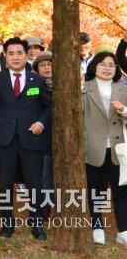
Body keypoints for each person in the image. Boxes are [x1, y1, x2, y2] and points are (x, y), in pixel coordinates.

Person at [0, 37, 51, 240]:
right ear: (5, 56)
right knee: (5, 184)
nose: (15, 57)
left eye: (19, 53)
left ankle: (36, 223)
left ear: (26, 55)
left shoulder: (36, 80)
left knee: (34, 183)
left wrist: (41, 123)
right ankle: (7, 223)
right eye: (11, 53)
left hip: (32, 139)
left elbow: (49, 106)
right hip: (5, 139)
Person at [83, 51, 127, 246]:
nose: (107, 68)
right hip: (92, 147)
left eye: (112, 65)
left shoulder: (123, 89)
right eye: (103, 64)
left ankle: (123, 230)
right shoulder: (85, 87)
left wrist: (123, 110)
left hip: (118, 149)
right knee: (95, 189)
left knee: (121, 190)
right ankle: (97, 226)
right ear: (94, 67)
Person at [32, 50, 54, 218]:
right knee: (44, 174)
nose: (46, 67)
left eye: (49, 64)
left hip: (63, 136)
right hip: (42, 136)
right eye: (42, 65)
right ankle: (44, 208)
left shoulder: (66, 84)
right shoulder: (33, 86)